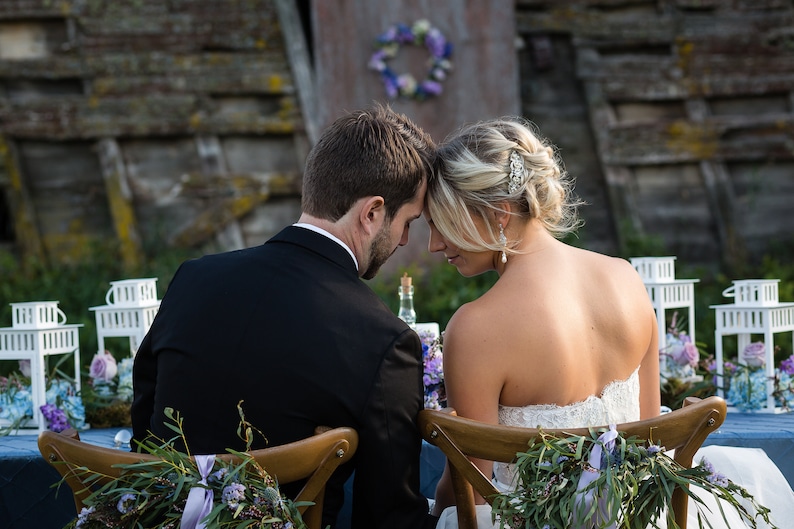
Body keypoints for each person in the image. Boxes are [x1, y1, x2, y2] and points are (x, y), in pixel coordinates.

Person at [423, 116, 793, 529]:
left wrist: (433, 512)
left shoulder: (475, 330)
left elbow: (473, 489)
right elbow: (655, 443)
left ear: (500, 212)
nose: (434, 244)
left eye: (444, 222)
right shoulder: (626, 279)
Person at [131, 103, 439, 529]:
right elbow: (388, 517)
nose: (405, 240)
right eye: (408, 222)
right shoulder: (384, 341)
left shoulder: (193, 279)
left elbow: (143, 432)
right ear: (371, 213)